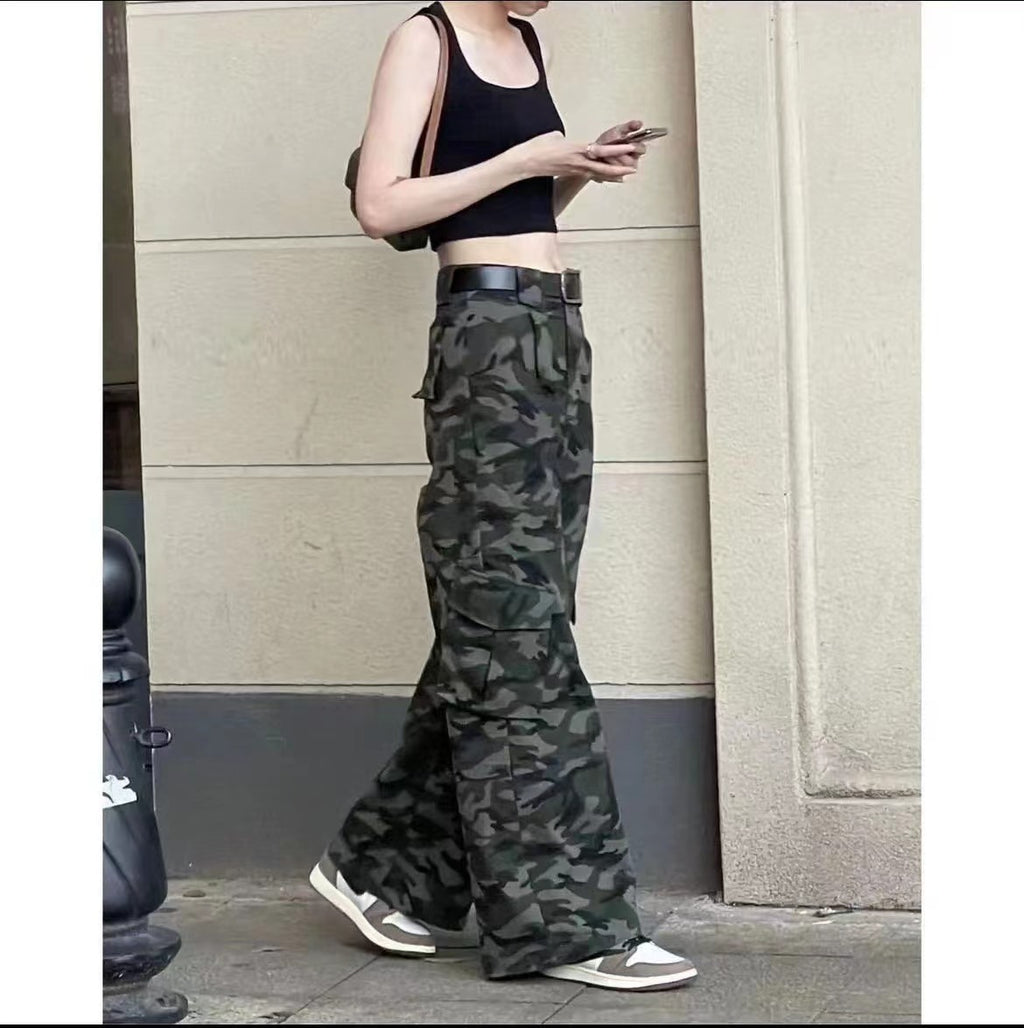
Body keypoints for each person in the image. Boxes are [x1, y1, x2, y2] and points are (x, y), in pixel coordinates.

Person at [310, 0, 698, 991]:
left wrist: (572, 169)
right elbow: (382, 206)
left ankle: (385, 868)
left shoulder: (524, 40)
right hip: (485, 341)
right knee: (513, 625)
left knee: (514, 612)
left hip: (552, 333)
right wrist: (527, 156)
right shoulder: (424, 40)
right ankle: (570, 925)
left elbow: (512, 207)